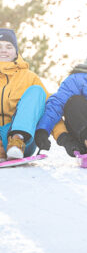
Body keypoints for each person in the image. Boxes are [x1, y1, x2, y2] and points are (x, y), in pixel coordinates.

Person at [0, 28, 60, 160]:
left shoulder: (29, 77)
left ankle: (17, 140)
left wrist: (64, 137)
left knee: (37, 91)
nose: (4, 50)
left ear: (16, 51)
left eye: (9, 46)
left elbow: (51, 108)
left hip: (23, 141)